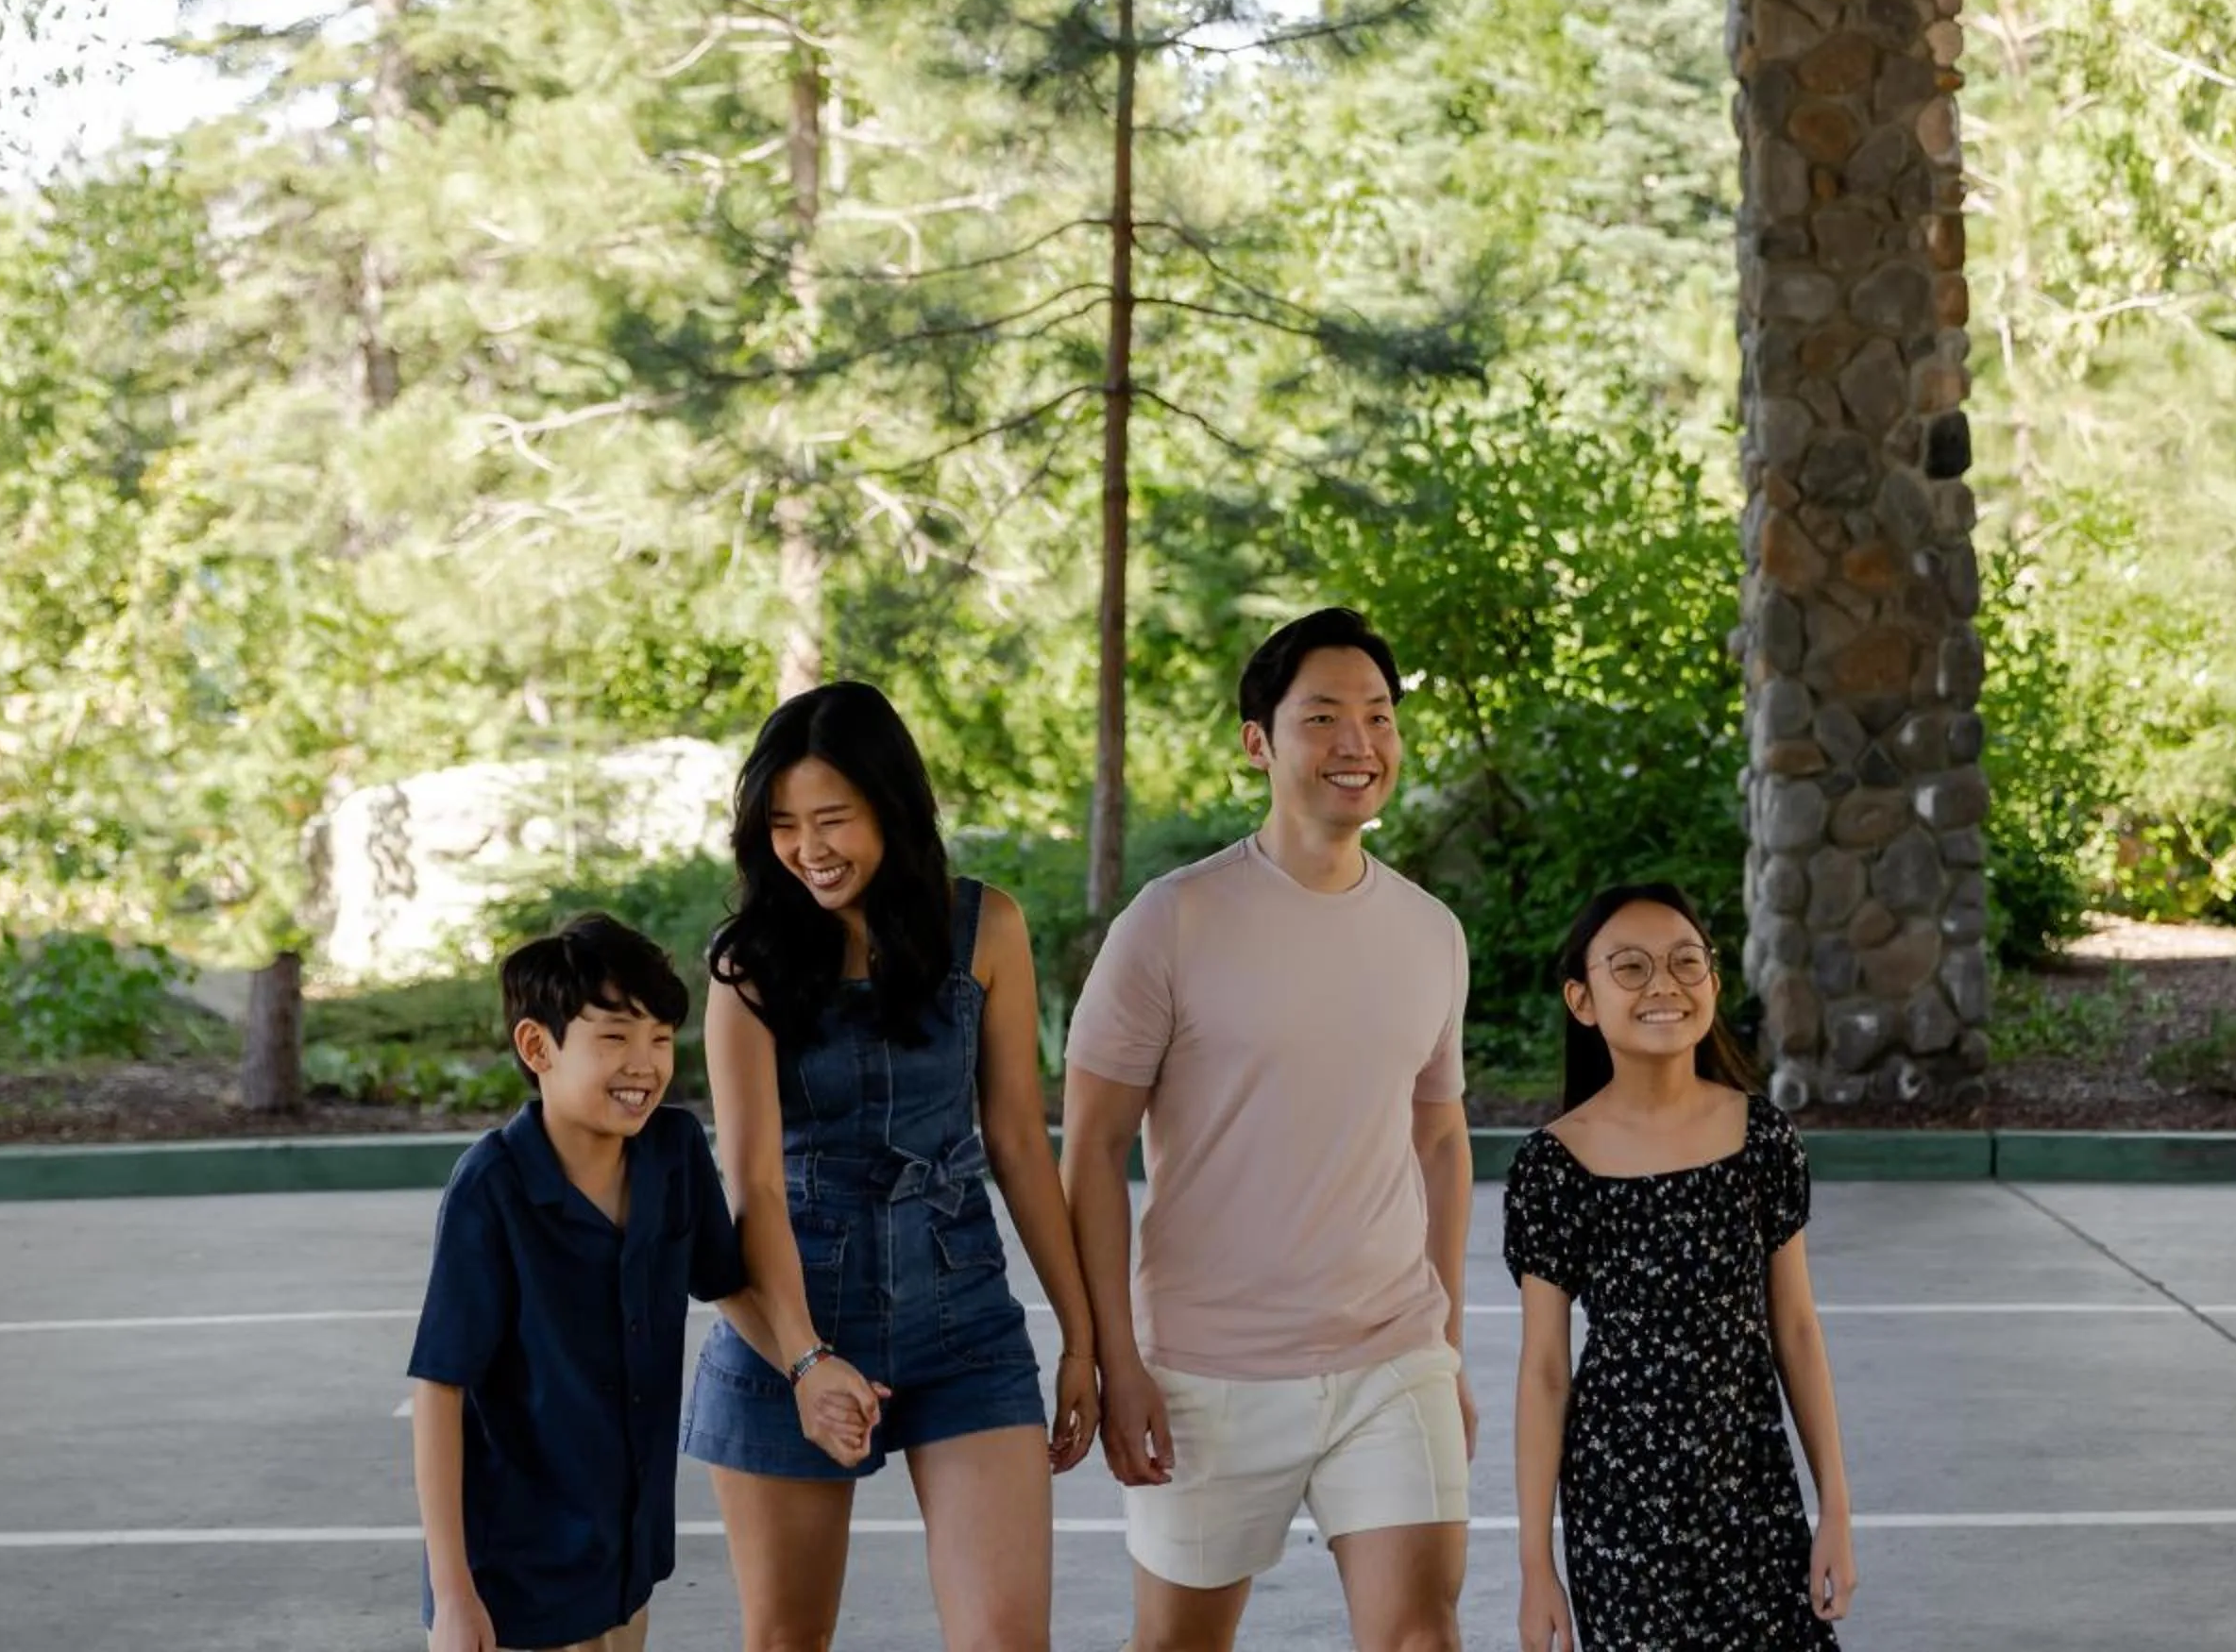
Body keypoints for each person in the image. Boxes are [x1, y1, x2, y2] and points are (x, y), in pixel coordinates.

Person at [1063, 607, 1476, 1652]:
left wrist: (1446, 1344)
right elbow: (1093, 1148)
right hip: (1208, 1367)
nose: (1358, 743)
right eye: (1324, 716)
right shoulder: (1171, 920)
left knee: (1421, 1634)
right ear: (1260, 740)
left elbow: (1438, 1139)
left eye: (1378, 716)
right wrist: (1119, 1359)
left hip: (1392, 1355)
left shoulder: (1432, 931)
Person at [683, 679, 1099, 1652]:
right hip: (791, 1323)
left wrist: (1080, 1337)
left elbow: (1019, 1143)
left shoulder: (984, 927)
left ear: (893, 808)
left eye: (834, 817)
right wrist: (804, 1358)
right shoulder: (745, 964)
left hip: (964, 1323)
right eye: (784, 823)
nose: (809, 847)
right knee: (788, 1638)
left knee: (1006, 1637)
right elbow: (752, 1190)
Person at [1503, 883, 1857, 1652]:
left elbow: (1795, 1328)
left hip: (1752, 1492)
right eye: (1628, 967)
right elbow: (1543, 1373)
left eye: (1684, 962)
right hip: (1619, 1509)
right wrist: (1536, 1565)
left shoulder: (1762, 1139)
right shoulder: (1554, 1166)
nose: (1663, 984)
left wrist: (1835, 1510)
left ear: (1714, 983)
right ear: (1582, 998)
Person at [408, 913, 762, 1652]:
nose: (645, 1064)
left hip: (625, 1550)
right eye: (614, 1037)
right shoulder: (493, 1187)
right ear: (538, 1046)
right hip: (514, 1569)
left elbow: (731, 1284)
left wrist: (810, 1367)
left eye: (660, 1039)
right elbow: (440, 1388)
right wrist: (453, 1595)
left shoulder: (673, 1151)